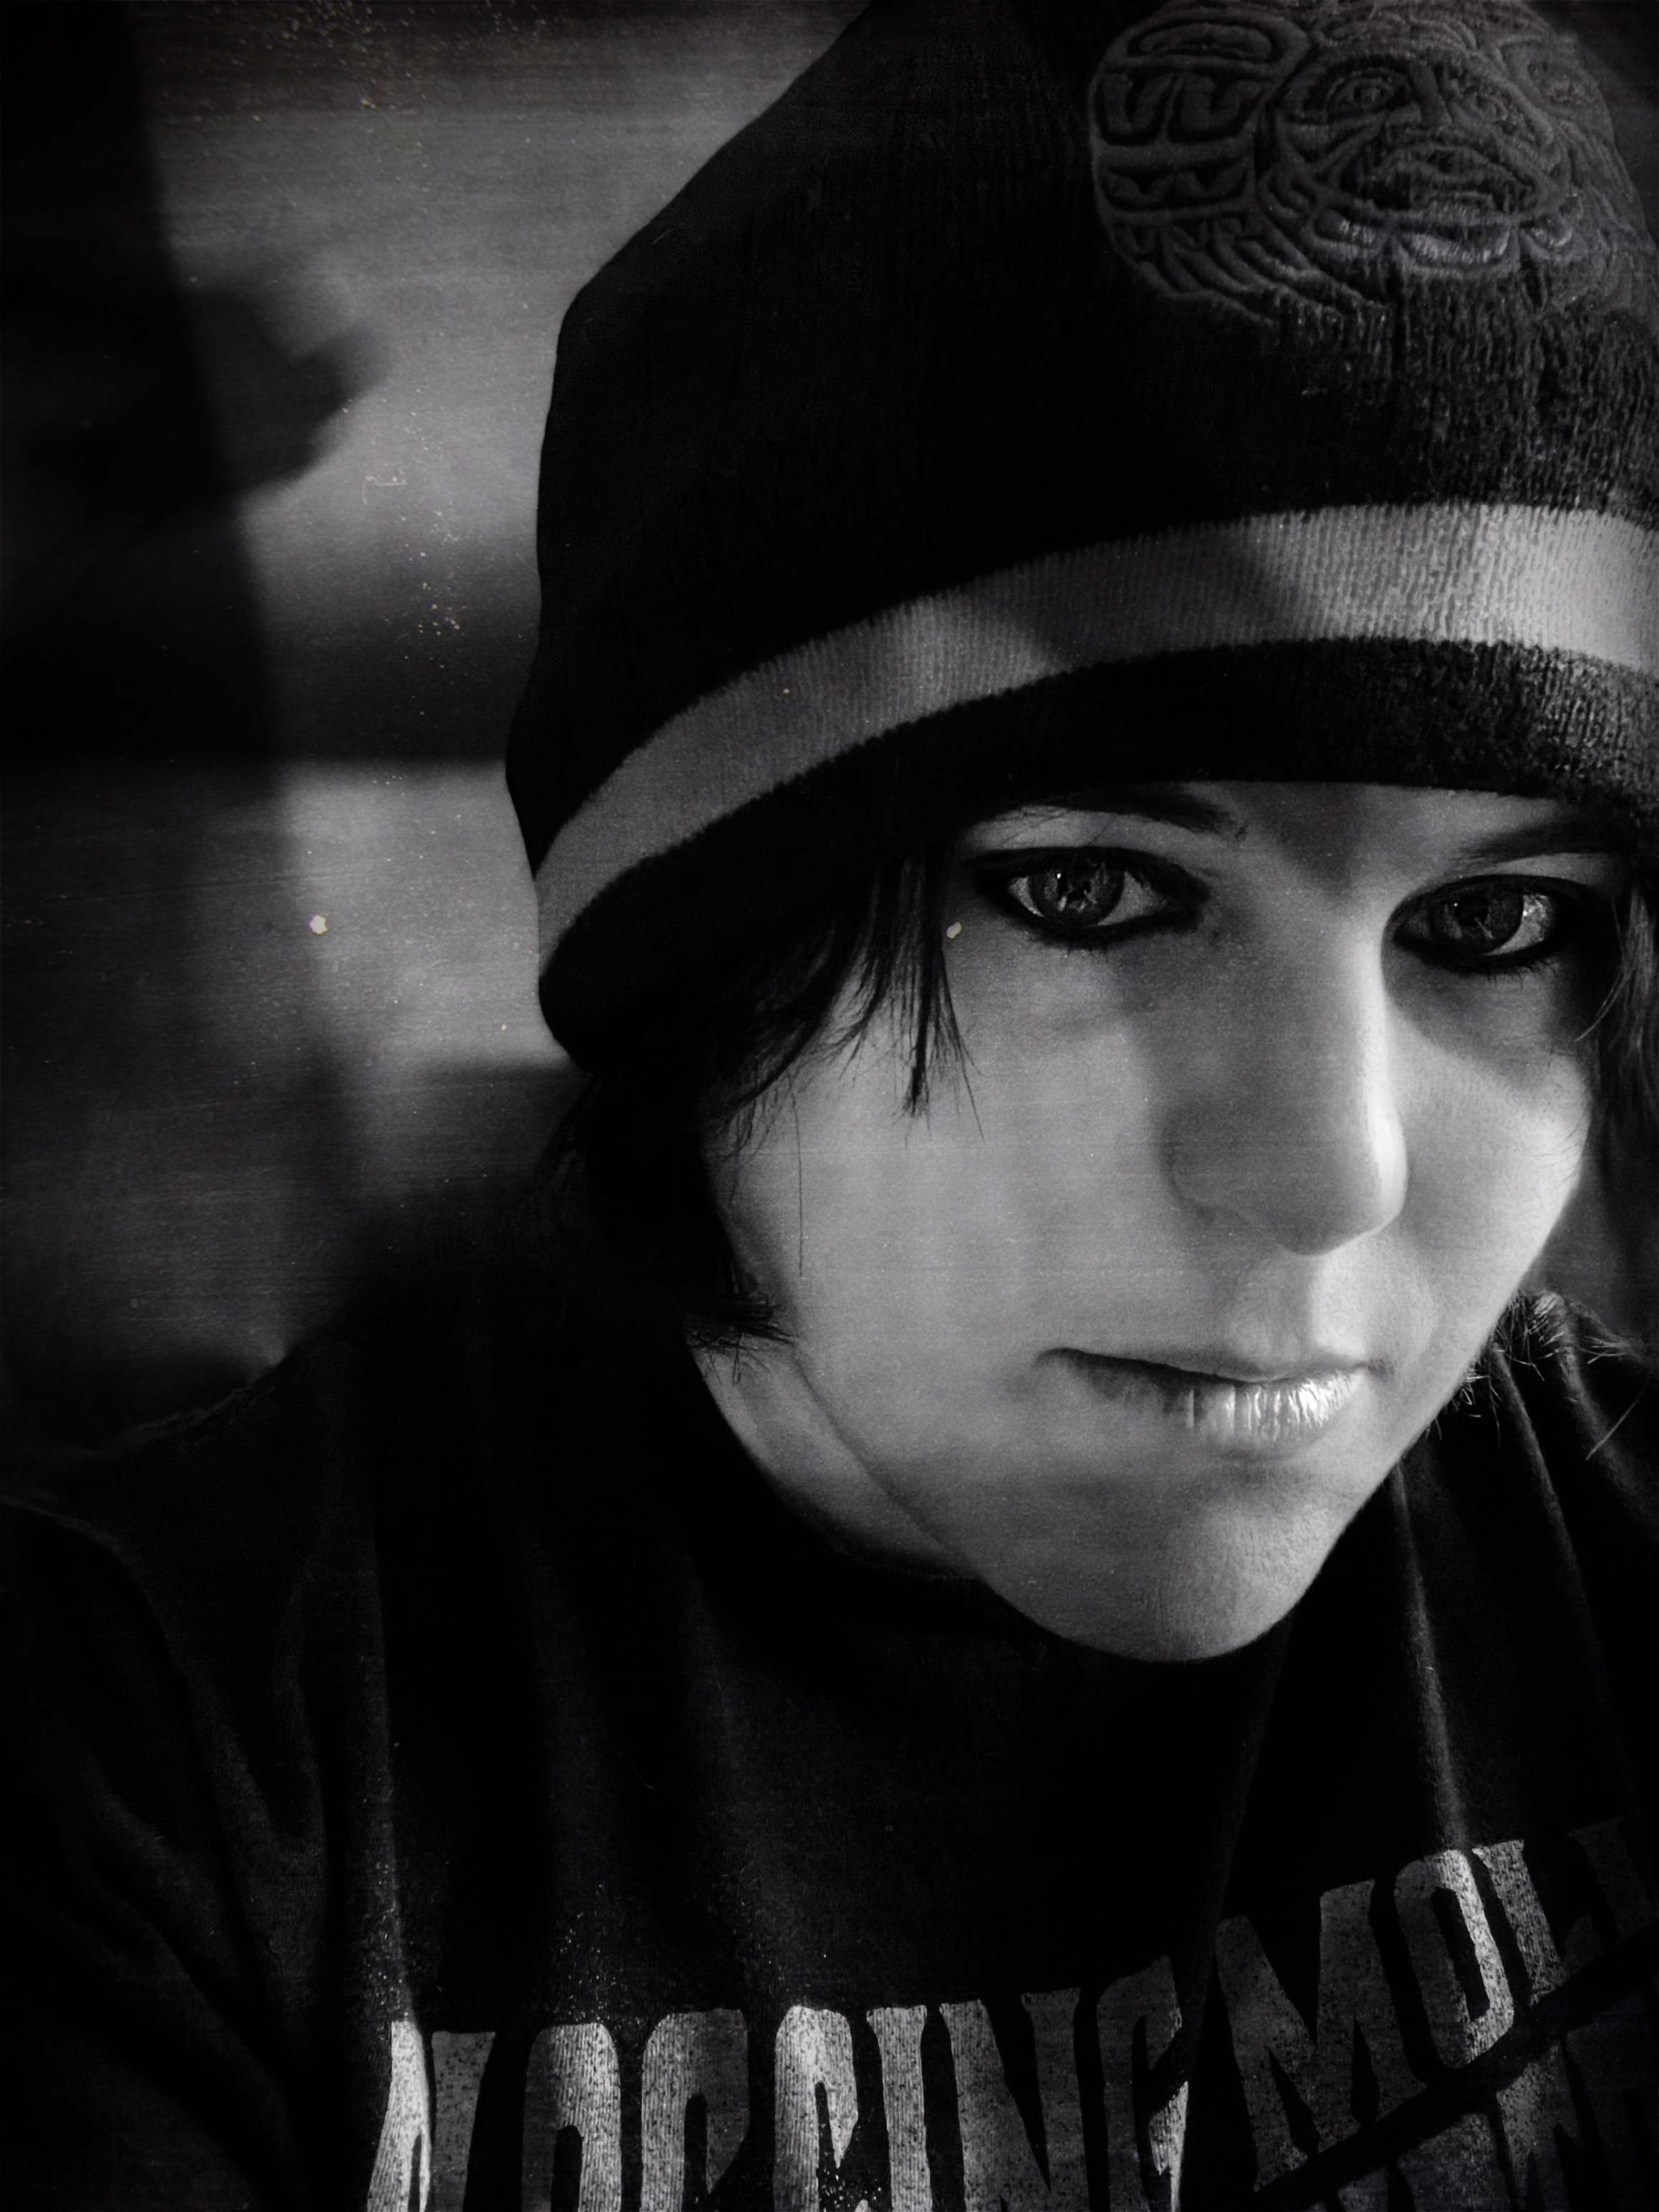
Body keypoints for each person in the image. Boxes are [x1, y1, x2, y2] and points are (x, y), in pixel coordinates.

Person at [5, 0, 1656, 2206]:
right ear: (703, 941)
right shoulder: (159, 1758)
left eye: (1492, 923)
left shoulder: (1614, 1558)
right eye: (1085, 891)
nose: (1329, 1170)